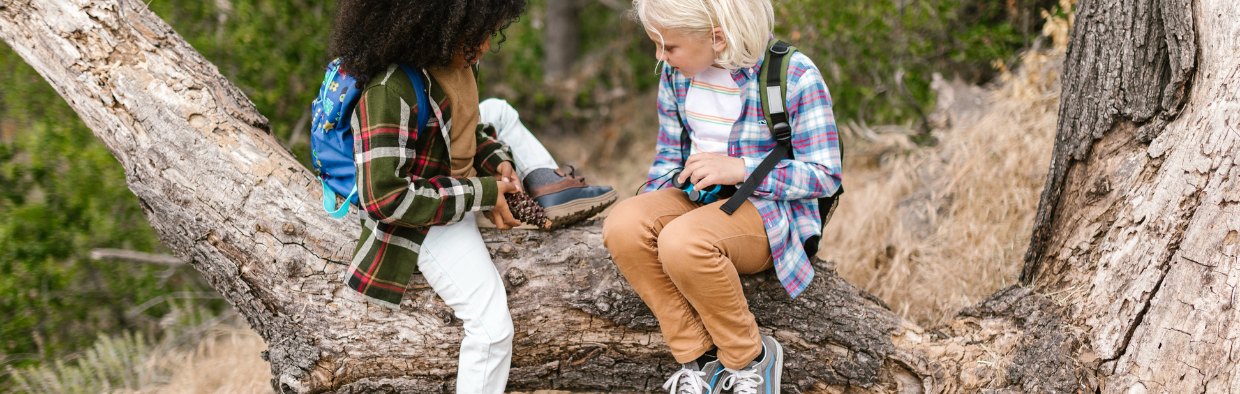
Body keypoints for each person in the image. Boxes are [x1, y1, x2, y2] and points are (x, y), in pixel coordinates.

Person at [329, 0, 615, 392]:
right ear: (439, 24)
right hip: (421, 217)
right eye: (478, 35)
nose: (484, 47)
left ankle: (550, 190)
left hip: (455, 185)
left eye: (490, 33)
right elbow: (386, 199)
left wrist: (497, 163)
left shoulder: (455, 61)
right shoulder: (388, 90)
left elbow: (466, 129)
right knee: (491, 330)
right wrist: (484, 193)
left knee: (498, 110)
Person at [601, 0, 842, 392]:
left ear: (716, 38)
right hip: (702, 202)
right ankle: (699, 360)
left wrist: (741, 168)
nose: (660, 58)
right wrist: (664, 193)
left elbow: (826, 175)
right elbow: (668, 155)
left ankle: (751, 359)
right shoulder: (678, 76)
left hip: (768, 214)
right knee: (624, 224)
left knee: (683, 242)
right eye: (656, 45)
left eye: (669, 47)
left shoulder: (793, 75)